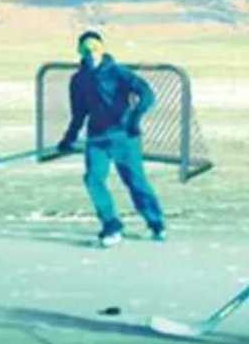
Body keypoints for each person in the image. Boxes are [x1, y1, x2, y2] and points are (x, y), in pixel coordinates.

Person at [57, 31, 167, 247]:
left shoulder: (118, 73)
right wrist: (69, 137)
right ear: (80, 51)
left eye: (94, 48)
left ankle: (155, 222)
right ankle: (111, 225)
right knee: (92, 178)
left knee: (134, 181)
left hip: (124, 137)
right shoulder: (78, 80)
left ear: (102, 49)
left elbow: (147, 94)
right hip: (96, 139)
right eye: (85, 50)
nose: (91, 54)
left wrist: (134, 118)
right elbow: (79, 113)